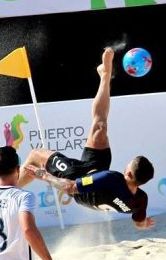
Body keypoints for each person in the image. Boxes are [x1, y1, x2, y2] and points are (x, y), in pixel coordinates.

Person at [19, 47, 155, 230]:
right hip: (95, 174)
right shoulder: (141, 200)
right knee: (100, 127)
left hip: (79, 182)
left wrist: (44, 176)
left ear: (129, 174)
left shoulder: (112, 178)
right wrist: (145, 224)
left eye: (128, 165)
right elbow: (139, 223)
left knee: (36, 155)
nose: (125, 165)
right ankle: (105, 75)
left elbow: (70, 187)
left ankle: (5, 191)